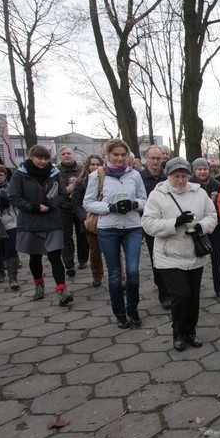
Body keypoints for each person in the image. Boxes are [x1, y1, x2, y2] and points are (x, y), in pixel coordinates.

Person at [142, 158, 218, 351]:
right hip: (168, 255)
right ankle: (178, 332)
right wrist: (174, 222)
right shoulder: (158, 195)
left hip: (194, 254)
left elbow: (212, 215)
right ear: (168, 175)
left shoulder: (198, 192)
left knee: (193, 296)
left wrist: (201, 226)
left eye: (184, 176)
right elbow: (148, 224)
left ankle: (191, 331)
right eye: (177, 176)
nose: (181, 180)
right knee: (181, 295)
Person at [84, 139, 146, 329]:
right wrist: (110, 207)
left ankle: (132, 308)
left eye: (123, 155)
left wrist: (134, 204)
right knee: (114, 273)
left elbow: (144, 199)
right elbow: (88, 203)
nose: (120, 158)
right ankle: (120, 314)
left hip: (133, 227)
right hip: (108, 229)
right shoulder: (97, 175)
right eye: (116, 155)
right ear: (108, 155)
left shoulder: (134, 175)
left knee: (133, 271)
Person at [7, 145, 73, 305]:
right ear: (31, 157)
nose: (43, 162)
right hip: (31, 222)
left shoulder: (54, 173)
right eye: (39, 158)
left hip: (52, 220)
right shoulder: (20, 175)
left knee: (55, 256)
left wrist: (50, 205)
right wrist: (33, 207)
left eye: (46, 158)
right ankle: (39, 285)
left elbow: (63, 194)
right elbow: (14, 197)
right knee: (35, 256)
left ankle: (62, 290)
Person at [139, 145, 172, 309]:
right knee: (157, 258)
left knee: (170, 256)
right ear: (146, 158)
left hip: (169, 222)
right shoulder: (139, 177)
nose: (155, 161)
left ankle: (171, 287)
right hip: (151, 224)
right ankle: (164, 293)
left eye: (159, 158)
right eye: (152, 158)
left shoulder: (168, 177)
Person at [189, 158, 220, 299]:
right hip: (196, 225)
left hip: (215, 224)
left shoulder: (216, 184)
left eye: (205, 169)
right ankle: (192, 288)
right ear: (194, 170)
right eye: (199, 169)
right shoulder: (189, 184)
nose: (202, 172)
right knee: (195, 256)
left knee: (218, 257)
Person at [71, 154, 105, 287]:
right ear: (87, 166)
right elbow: (76, 203)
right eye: (93, 164)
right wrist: (85, 218)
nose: (95, 167)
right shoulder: (81, 182)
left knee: (113, 249)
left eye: (98, 164)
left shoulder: (108, 179)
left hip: (106, 217)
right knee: (95, 249)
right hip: (89, 221)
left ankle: (119, 275)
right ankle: (97, 275)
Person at [57, 147, 88, 277]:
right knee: (66, 237)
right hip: (64, 207)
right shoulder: (56, 171)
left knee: (82, 234)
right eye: (63, 154)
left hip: (80, 206)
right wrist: (65, 190)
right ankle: (69, 264)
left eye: (69, 153)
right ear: (60, 156)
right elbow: (53, 189)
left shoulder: (82, 169)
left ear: (73, 155)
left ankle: (82, 260)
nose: (66, 156)